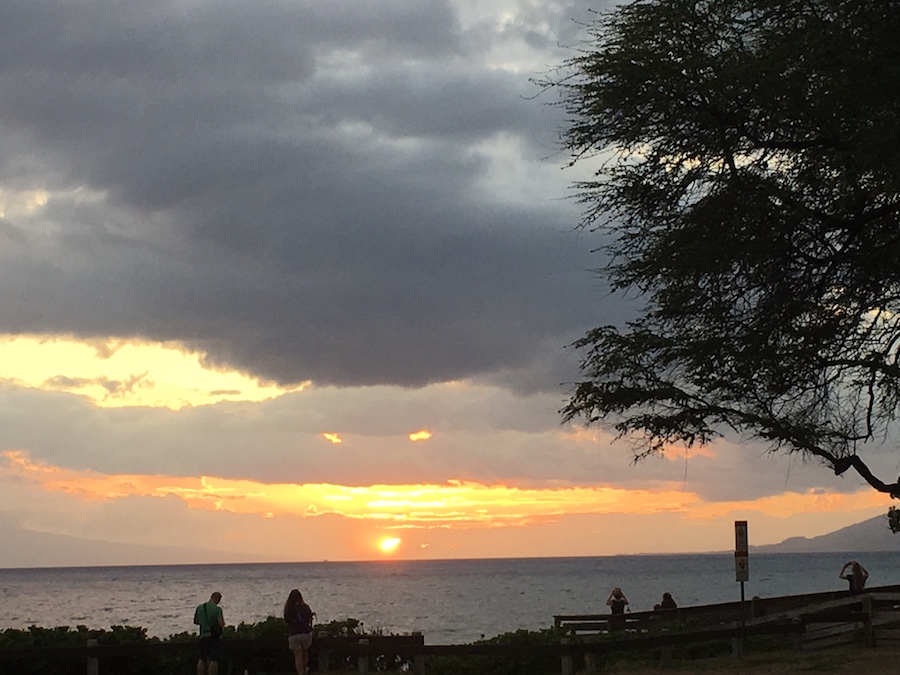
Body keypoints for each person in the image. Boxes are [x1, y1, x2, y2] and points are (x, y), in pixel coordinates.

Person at [284, 588, 315, 675]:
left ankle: (300, 673)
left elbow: (287, 621)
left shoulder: (288, 609)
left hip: (294, 634)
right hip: (305, 633)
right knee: (305, 653)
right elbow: (309, 619)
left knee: (298, 656)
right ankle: (305, 669)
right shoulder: (305, 607)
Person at [194, 591, 225, 675]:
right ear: (218, 599)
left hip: (203, 636)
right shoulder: (217, 609)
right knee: (213, 660)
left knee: (202, 658)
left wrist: (204, 623)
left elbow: (196, 621)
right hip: (213, 637)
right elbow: (221, 624)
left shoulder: (200, 608)